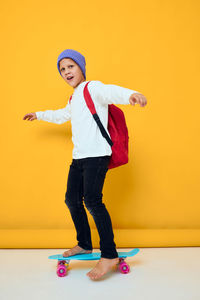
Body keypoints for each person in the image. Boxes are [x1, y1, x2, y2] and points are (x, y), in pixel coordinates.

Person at [23, 49, 147, 280]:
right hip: (79, 157)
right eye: (62, 69)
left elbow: (111, 91)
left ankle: (109, 254)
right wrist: (39, 114)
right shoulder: (73, 97)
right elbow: (62, 115)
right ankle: (85, 244)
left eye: (71, 66)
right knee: (71, 199)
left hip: (97, 155)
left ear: (81, 67)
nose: (67, 71)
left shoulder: (92, 88)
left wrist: (132, 95)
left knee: (92, 200)